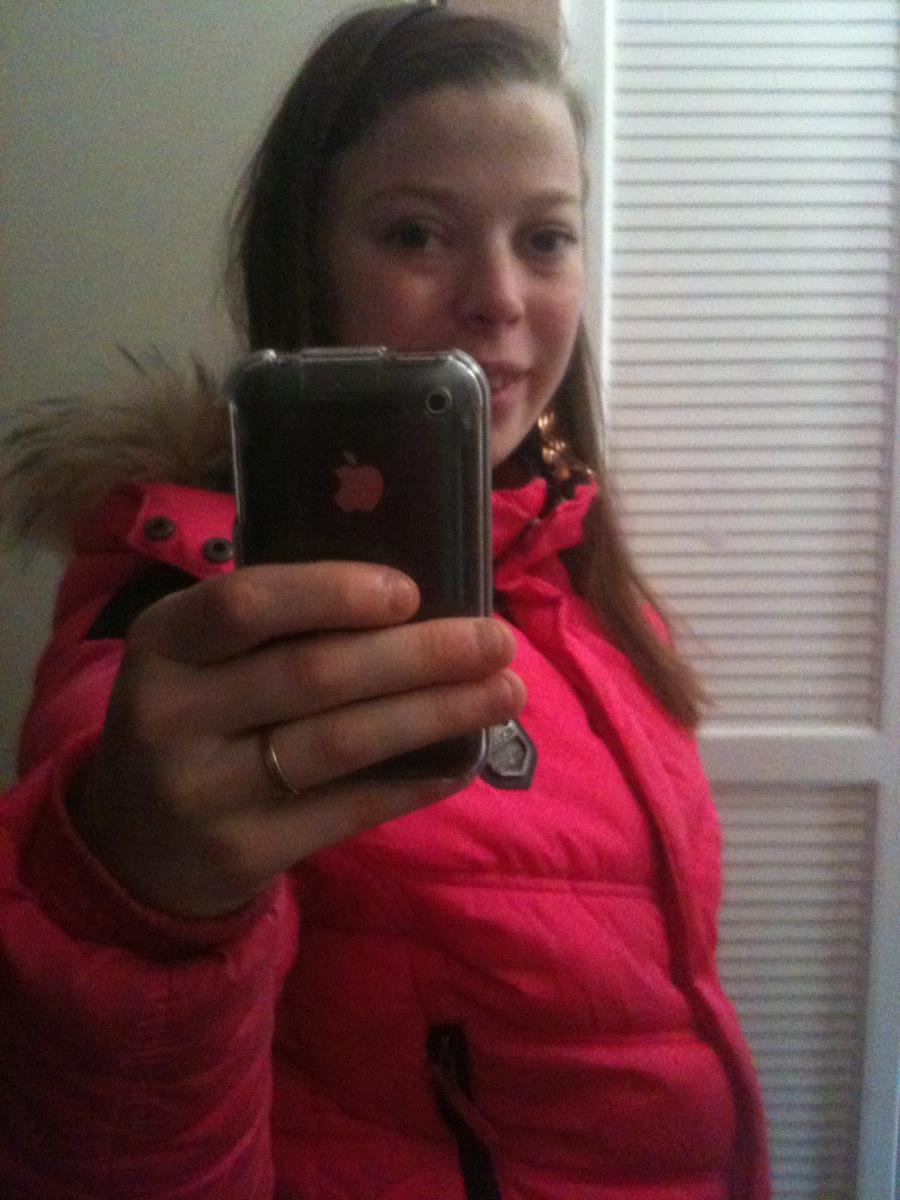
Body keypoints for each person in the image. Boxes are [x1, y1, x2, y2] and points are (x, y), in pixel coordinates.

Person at [0, 3, 770, 1197]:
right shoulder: (184, 636)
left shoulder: (583, 585)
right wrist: (137, 898)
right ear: (306, 261)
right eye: (417, 233)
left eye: (546, 237)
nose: (500, 297)